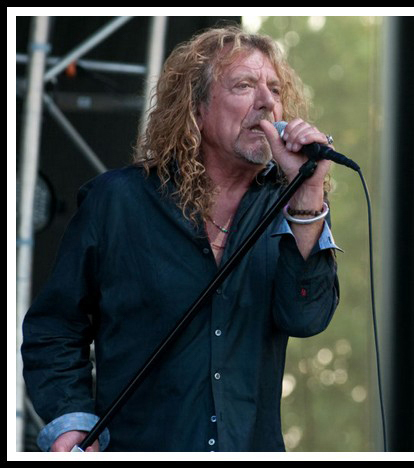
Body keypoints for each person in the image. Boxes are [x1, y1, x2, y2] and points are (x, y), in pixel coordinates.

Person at [21, 26, 340, 452]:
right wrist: (70, 422)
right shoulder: (118, 202)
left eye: (275, 90)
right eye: (244, 86)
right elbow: (56, 327)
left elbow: (306, 317)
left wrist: (307, 195)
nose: (267, 102)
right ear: (196, 107)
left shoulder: (289, 208)